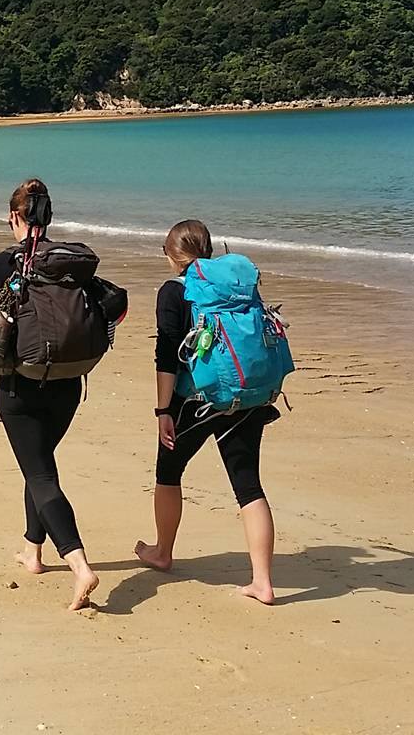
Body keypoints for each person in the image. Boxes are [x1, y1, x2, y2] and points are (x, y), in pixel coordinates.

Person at [0, 178, 102, 612]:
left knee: (40, 474)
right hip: (68, 382)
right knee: (39, 464)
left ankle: (79, 565)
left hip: (18, 386)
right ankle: (32, 550)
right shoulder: (72, 263)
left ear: (13, 216)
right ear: (49, 216)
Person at [134, 219, 280, 604]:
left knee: (168, 473)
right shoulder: (236, 286)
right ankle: (262, 581)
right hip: (247, 396)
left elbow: (166, 356)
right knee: (248, 485)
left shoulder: (174, 291)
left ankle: (162, 551)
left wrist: (163, 410)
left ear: (171, 255)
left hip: (195, 401)